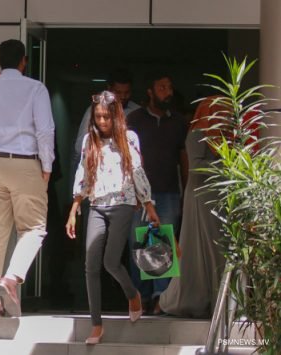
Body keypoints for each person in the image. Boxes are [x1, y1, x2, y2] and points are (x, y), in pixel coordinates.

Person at [0, 39, 55, 317]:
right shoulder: (35, 89)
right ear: (23, 61)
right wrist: (47, 167)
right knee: (34, 228)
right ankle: (11, 279)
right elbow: (44, 131)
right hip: (25, 163)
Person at [66, 91, 159, 344]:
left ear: (116, 116)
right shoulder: (89, 140)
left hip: (122, 203)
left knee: (110, 262)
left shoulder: (129, 138)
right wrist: (75, 208)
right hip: (96, 203)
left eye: (107, 116)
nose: (102, 121)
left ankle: (132, 294)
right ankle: (96, 324)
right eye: (98, 116)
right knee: (90, 264)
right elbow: (83, 172)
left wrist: (149, 205)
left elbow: (137, 170)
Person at [158, 97, 227, 317]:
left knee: (214, 246)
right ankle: (166, 298)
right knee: (198, 245)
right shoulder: (198, 132)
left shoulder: (218, 133)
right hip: (201, 194)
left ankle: (216, 297)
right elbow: (198, 165)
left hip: (213, 195)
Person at [126, 72, 188, 315]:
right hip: (138, 196)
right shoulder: (134, 119)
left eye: (169, 87)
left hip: (168, 191)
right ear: (150, 92)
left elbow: (183, 158)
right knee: (138, 244)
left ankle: (161, 299)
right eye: (161, 87)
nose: (168, 92)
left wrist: (186, 187)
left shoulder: (179, 122)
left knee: (164, 245)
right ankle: (139, 297)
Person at [72, 69, 140, 173]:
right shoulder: (95, 111)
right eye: (118, 92)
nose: (123, 96)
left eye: (126, 92)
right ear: (109, 89)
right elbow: (80, 149)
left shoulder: (137, 112)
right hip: (98, 170)